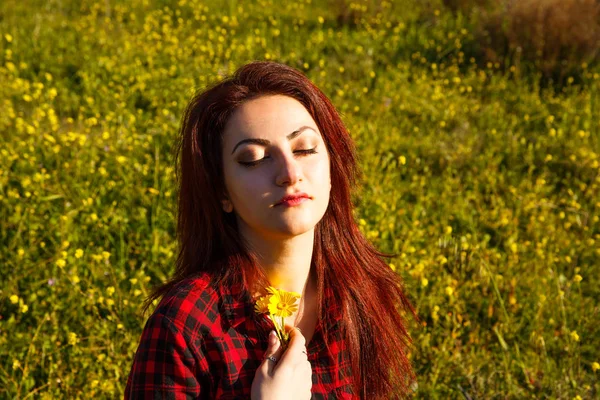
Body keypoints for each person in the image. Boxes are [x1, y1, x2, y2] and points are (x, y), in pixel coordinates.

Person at [124, 61, 416, 399]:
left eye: (305, 149)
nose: (290, 173)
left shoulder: (362, 293)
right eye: (254, 158)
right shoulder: (187, 324)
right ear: (221, 192)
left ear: (332, 165)